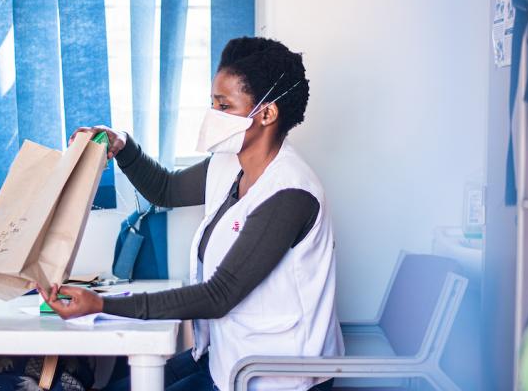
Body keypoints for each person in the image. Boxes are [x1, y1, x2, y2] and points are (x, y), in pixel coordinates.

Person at [39, 37, 344, 391]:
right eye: (212, 103)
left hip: (275, 376)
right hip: (227, 356)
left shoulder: (290, 192)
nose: (212, 115)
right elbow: (165, 190)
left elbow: (219, 295)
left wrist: (101, 304)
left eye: (224, 106)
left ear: (266, 113)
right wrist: (121, 143)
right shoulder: (229, 164)